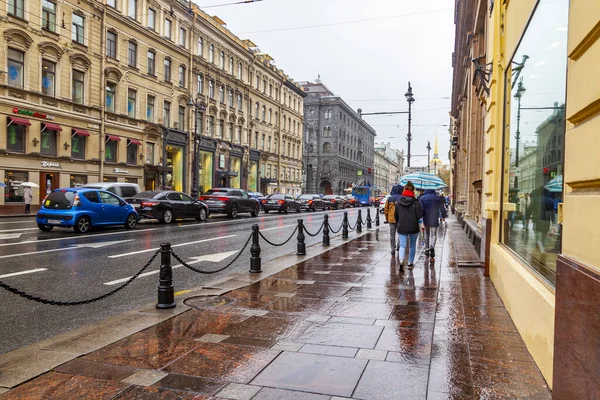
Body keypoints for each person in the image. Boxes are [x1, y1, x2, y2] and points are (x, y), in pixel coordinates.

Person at [394, 181, 422, 269]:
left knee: (402, 245)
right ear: (413, 191)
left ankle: (401, 260)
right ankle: (410, 262)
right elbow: (419, 215)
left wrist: (399, 222)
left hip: (402, 226)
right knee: (413, 245)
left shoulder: (399, 202)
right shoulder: (416, 202)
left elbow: (396, 215)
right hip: (413, 226)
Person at [419, 189, 447, 259]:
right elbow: (442, 208)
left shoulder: (422, 198)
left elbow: (421, 210)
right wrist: (443, 216)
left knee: (426, 233)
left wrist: (420, 217)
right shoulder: (437, 198)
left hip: (426, 218)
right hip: (434, 217)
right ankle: (432, 247)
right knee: (433, 234)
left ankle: (426, 249)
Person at [383, 184, 403, 255]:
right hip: (400, 219)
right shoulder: (402, 198)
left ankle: (392, 249)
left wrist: (387, 218)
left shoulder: (389, 199)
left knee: (392, 235)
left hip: (391, 220)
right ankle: (399, 245)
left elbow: (386, 210)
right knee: (400, 234)